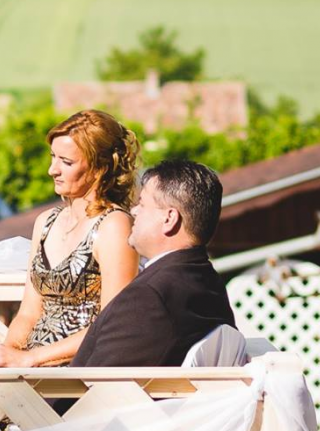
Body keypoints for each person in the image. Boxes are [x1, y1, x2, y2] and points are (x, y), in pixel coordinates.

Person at [0, 109, 140, 369]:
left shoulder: (114, 226)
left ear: (99, 168)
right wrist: (6, 355)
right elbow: (29, 312)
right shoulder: (46, 222)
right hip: (29, 363)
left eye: (66, 161)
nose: (52, 170)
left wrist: (30, 359)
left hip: (76, 370)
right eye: (53, 157)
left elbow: (110, 325)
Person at [70, 157, 236, 368]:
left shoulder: (148, 298)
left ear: (169, 219)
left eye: (142, 203)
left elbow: (91, 383)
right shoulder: (207, 280)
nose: (133, 211)